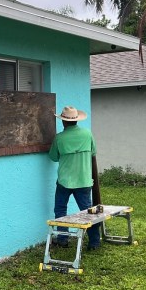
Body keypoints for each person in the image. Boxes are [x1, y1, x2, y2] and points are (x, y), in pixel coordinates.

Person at [48, 105, 100, 249]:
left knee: (60, 209)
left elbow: (53, 157)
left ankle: (63, 239)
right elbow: (93, 152)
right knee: (88, 212)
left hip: (65, 181)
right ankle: (94, 242)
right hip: (84, 180)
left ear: (63, 121)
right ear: (77, 120)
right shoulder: (87, 134)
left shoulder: (59, 138)